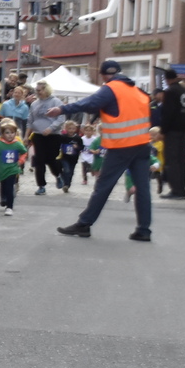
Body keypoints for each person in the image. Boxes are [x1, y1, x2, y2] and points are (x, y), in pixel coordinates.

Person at [48, 59, 156, 241]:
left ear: (104, 75)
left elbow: (89, 104)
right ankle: (143, 230)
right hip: (142, 145)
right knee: (143, 188)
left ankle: (84, 224)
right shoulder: (138, 92)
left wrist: (61, 109)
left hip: (122, 146)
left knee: (103, 186)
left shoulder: (111, 88)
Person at [157, 68, 185, 199]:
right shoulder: (184, 91)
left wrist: (163, 130)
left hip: (172, 131)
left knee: (172, 161)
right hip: (183, 130)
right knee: (181, 161)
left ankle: (176, 190)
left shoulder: (170, 92)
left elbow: (168, 113)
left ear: (166, 79)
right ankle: (182, 189)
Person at [25, 81, 64, 194]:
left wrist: (51, 128)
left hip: (53, 135)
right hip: (38, 135)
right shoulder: (34, 104)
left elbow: (61, 119)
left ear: (46, 90)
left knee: (51, 159)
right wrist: (26, 136)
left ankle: (58, 175)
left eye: (39, 90)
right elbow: (30, 121)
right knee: (39, 161)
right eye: (36, 90)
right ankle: (41, 185)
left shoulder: (55, 101)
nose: (37, 93)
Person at [0, 118, 28, 215]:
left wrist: (21, 161)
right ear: (2, 134)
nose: (10, 135)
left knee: (10, 186)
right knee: (3, 185)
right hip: (1, 169)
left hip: (13, 169)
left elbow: (24, 153)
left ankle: (9, 207)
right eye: (7, 133)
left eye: (12, 132)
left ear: (15, 133)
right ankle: (3, 198)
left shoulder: (17, 144)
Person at [57, 120, 84, 192]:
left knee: (70, 172)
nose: (71, 130)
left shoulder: (78, 138)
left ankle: (67, 185)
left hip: (73, 158)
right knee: (66, 170)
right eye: (69, 128)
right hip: (64, 157)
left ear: (75, 129)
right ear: (66, 129)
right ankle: (63, 181)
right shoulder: (63, 137)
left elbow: (82, 147)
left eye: (73, 128)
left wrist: (77, 147)